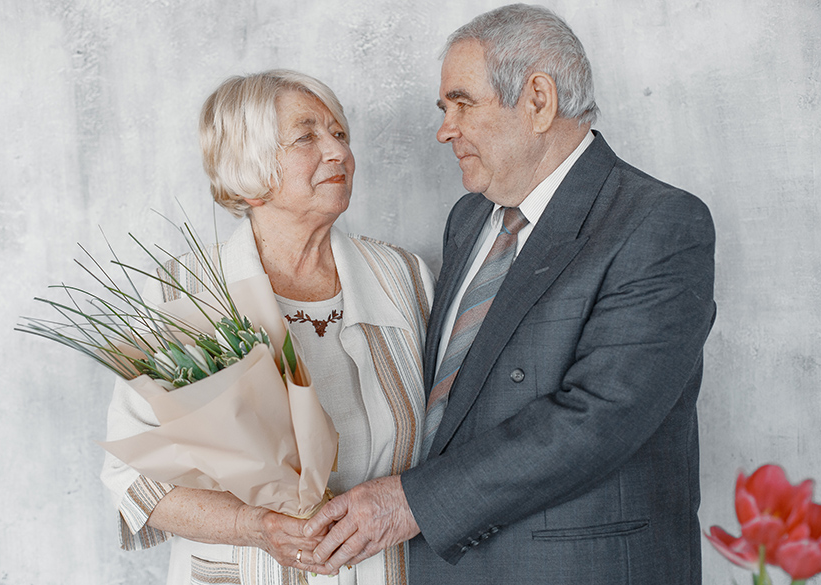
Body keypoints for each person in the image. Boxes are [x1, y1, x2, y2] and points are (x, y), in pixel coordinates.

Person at [304, 5, 716, 584]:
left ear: (538, 101)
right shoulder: (470, 218)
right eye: (444, 109)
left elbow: (599, 418)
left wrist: (407, 503)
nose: (445, 128)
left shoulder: (658, 223)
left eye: (462, 103)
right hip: (445, 566)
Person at [100, 70, 433, 585]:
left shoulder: (406, 278)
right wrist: (255, 526)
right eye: (307, 137)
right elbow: (132, 478)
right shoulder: (182, 293)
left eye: (340, 134)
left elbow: (458, 443)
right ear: (247, 168)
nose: (338, 152)